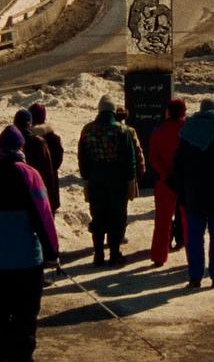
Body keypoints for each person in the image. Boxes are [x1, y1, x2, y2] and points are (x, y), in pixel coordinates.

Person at [0, 125, 60, 362]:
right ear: (20, 148)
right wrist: (52, 252)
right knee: (25, 316)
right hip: (27, 260)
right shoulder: (29, 174)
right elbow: (44, 217)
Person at [173, 98, 214, 289]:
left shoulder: (187, 133)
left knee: (194, 236)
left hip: (194, 194)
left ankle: (195, 276)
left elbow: (178, 167)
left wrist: (182, 194)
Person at [77, 94, 136, 267]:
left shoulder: (87, 130)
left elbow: (82, 157)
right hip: (117, 179)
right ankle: (114, 254)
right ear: (113, 111)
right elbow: (129, 158)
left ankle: (98, 254)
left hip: (95, 177)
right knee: (116, 216)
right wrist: (130, 178)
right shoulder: (121, 130)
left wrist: (86, 177)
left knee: (98, 215)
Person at [148, 98, 189, 267]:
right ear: (184, 112)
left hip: (165, 182)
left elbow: (153, 157)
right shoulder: (189, 132)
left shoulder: (158, 132)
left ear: (167, 112)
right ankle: (193, 257)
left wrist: (165, 174)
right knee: (189, 222)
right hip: (186, 182)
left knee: (162, 221)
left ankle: (159, 256)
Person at [14, 108, 59, 214]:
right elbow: (49, 170)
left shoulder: (8, 141)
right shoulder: (41, 141)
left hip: (17, 199)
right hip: (39, 190)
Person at [115, 104, 146, 244]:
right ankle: (119, 235)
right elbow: (138, 152)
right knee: (122, 207)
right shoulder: (129, 131)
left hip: (107, 175)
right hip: (125, 175)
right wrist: (141, 169)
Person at [28, 102, 65, 213]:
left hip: (32, 184)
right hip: (51, 183)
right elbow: (58, 160)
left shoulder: (27, 139)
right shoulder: (54, 138)